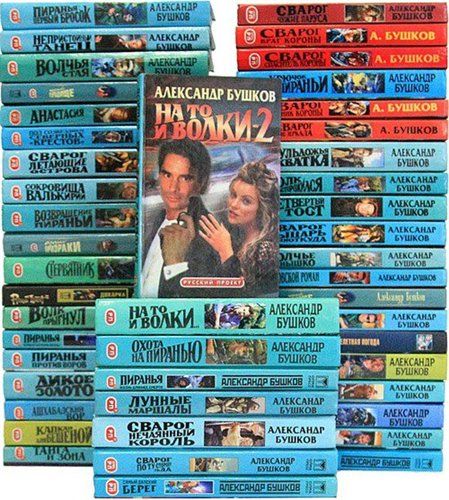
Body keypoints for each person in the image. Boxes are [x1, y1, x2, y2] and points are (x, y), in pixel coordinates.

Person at [141, 138, 220, 297]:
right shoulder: (159, 219)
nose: (173, 188)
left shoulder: (207, 235)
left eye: (185, 178)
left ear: (201, 183)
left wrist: (175, 265)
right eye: (167, 175)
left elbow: (201, 302)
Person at [198, 162, 280, 296]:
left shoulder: (266, 250)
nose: (233, 204)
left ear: (262, 209)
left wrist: (225, 251)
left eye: (246, 201)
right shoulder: (236, 238)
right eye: (233, 195)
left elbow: (247, 301)